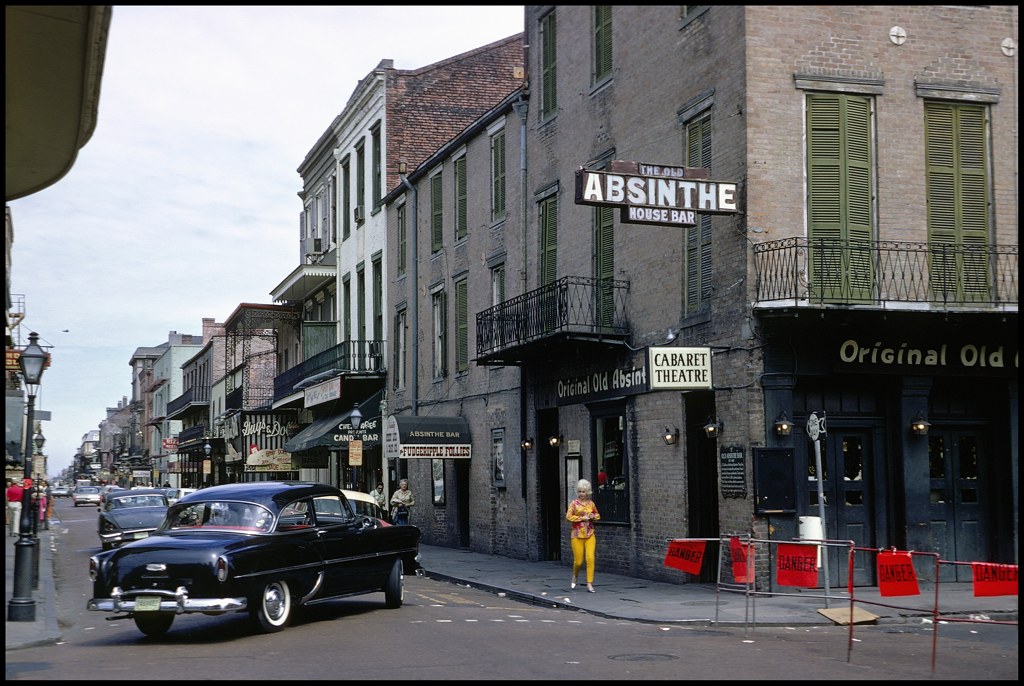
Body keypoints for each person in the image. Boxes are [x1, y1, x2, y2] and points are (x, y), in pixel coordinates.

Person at [566, 478, 601, 593]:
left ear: (588, 492)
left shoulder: (591, 504)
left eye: (584, 492)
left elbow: (597, 515)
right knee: (579, 561)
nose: (582, 494)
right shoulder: (574, 504)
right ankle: (575, 575)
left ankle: (589, 583)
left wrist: (592, 516)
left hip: (590, 534)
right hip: (577, 535)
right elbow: (568, 517)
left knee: (590, 558)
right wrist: (581, 518)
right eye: (580, 491)